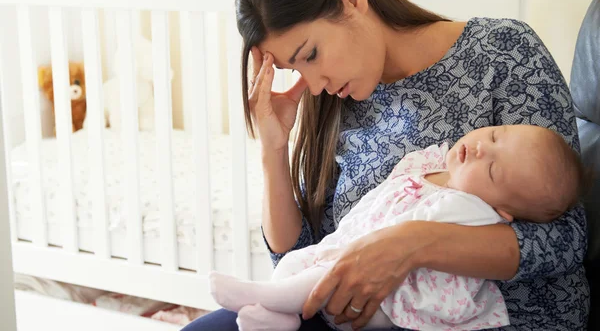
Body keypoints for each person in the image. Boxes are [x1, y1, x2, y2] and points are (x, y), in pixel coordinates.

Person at [182, 0, 589, 330]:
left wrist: (410, 245)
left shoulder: (503, 51)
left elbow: (564, 239)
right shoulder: (337, 101)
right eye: (295, 68)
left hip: (497, 318)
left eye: (311, 54)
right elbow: (304, 262)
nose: (315, 82)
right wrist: (274, 148)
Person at [208, 124, 585, 331]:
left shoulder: (474, 210)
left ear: (503, 210)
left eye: (491, 169)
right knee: (294, 264)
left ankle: (270, 300)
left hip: (389, 301)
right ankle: (277, 316)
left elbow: (569, 239)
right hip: (343, 253)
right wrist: (273, 150)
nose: (482, 148)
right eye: (495, 135)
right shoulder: (433, 162)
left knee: (322, 275)